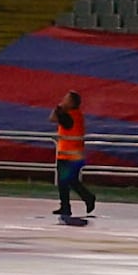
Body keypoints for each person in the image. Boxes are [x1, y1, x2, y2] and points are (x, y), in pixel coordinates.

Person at [51, 86, 98, 226]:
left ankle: (88, 198)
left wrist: (59, 107)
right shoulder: (73, 115)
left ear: (71, 103)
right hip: (68, 154)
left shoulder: (70, 116)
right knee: (64, 182)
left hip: (71, 156)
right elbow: (54, 118)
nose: (63, 100)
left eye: (66, 99)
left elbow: (53, 117)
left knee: (69, 181)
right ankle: (66, 206)